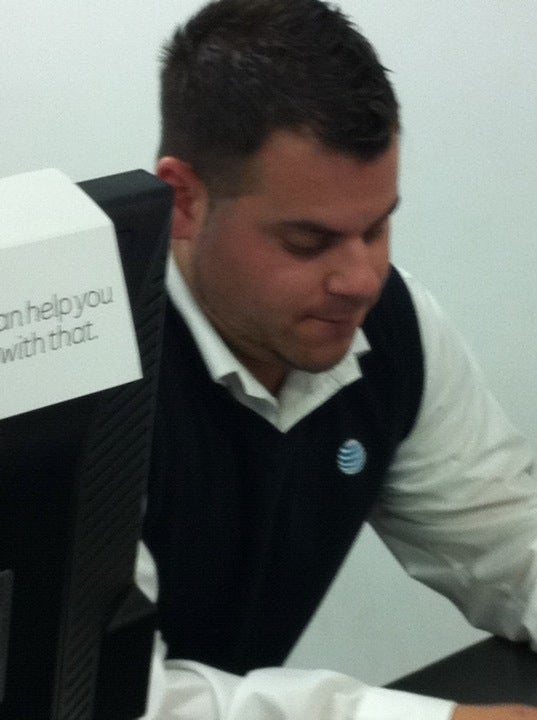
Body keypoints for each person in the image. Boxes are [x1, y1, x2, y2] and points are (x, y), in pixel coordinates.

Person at [138, 0, 537, 717]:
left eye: (377, 228)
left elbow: (508, 546)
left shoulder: (391, 326)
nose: (360, 279)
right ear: (184, 201)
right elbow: (113, 699)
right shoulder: (78, 383)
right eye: (308, 242)